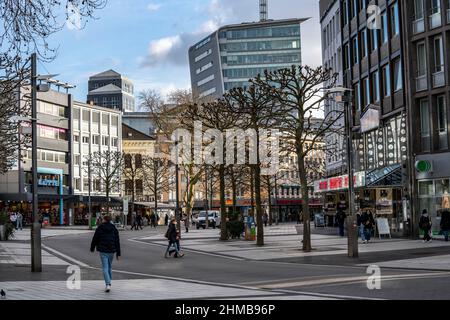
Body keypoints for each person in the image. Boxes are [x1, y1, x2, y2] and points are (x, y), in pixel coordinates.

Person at [90, 215, 121, 292]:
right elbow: (117, 242)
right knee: (109, 266)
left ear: (104, 220)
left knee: (105, 267)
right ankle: (109, 283)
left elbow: (95, 238)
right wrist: (118, 253)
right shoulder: (114, 229)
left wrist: (92, 248)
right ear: (110, 220)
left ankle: (108, 284)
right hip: (111, 251)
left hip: (103, 251)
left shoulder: (100, 228)